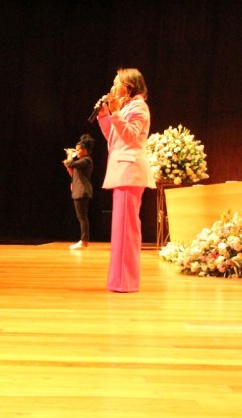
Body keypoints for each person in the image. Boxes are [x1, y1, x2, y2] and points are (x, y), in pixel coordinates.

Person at [97, 68, 155, 293]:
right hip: (122, 171)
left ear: (128, 86)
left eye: (116, 82)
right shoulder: (126, 107)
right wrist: (105, 115)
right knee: (120, 230)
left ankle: (125, 282)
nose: (113, 86)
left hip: (129, 171)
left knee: (126, 230)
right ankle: (120, 280)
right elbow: (114, 137)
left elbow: (130, 136)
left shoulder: (139, 106)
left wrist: (115, 112)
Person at [64, 134, 95, 250]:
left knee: (82, 217)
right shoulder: (81, 162)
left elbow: (71, 163)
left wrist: (69, 155)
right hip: (79, 190)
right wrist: (68, 167)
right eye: (75, 150)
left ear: (85, 150)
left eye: (78, 150)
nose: (76, 152)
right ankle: (83, 241)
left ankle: (84, 241)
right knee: (81, 217)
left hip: (83, 190)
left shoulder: (86, 160)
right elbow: (74, 175)